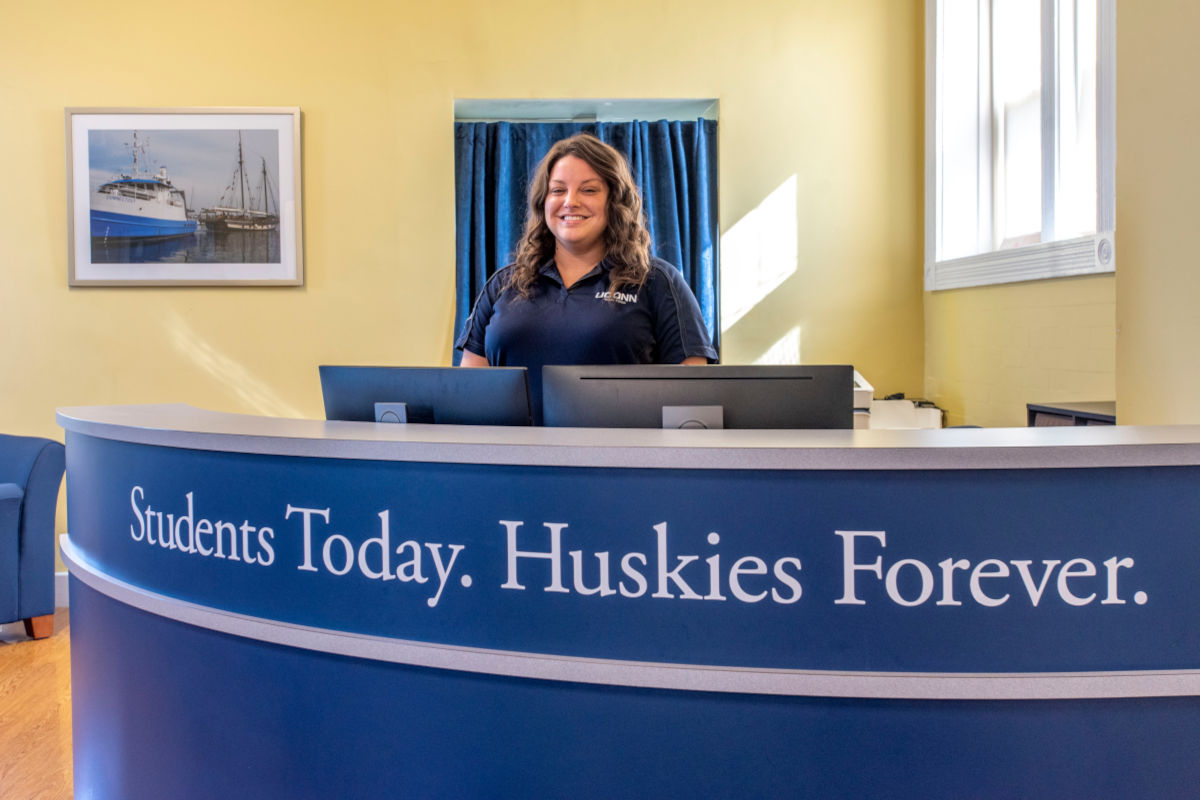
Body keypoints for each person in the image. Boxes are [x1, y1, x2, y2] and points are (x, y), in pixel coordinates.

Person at [455, 133, 717, 423]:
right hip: (510, 462)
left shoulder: (657, 282)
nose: (570, 201)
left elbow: (692, 404)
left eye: (589, 190)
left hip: (617, 463)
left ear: (615, 201)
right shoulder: (504, 284)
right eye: (557, 191)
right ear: (544, 202)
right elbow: (468, 395)